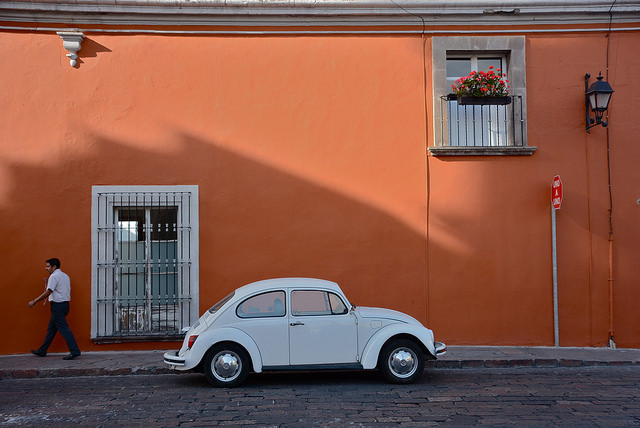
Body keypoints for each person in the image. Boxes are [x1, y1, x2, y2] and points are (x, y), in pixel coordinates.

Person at [28, 258, 81, 360]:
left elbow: (48, 292)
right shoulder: (65, 276)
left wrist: (34, 301)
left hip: (57, 306)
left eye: (48, 266)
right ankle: (43, 350)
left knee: (64, 329)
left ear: (54, 267)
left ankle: (75, 351)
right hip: (65, 306)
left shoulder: (54, 276)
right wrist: (48, 282)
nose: (46, 268)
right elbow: (59, 288)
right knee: (52, 329)